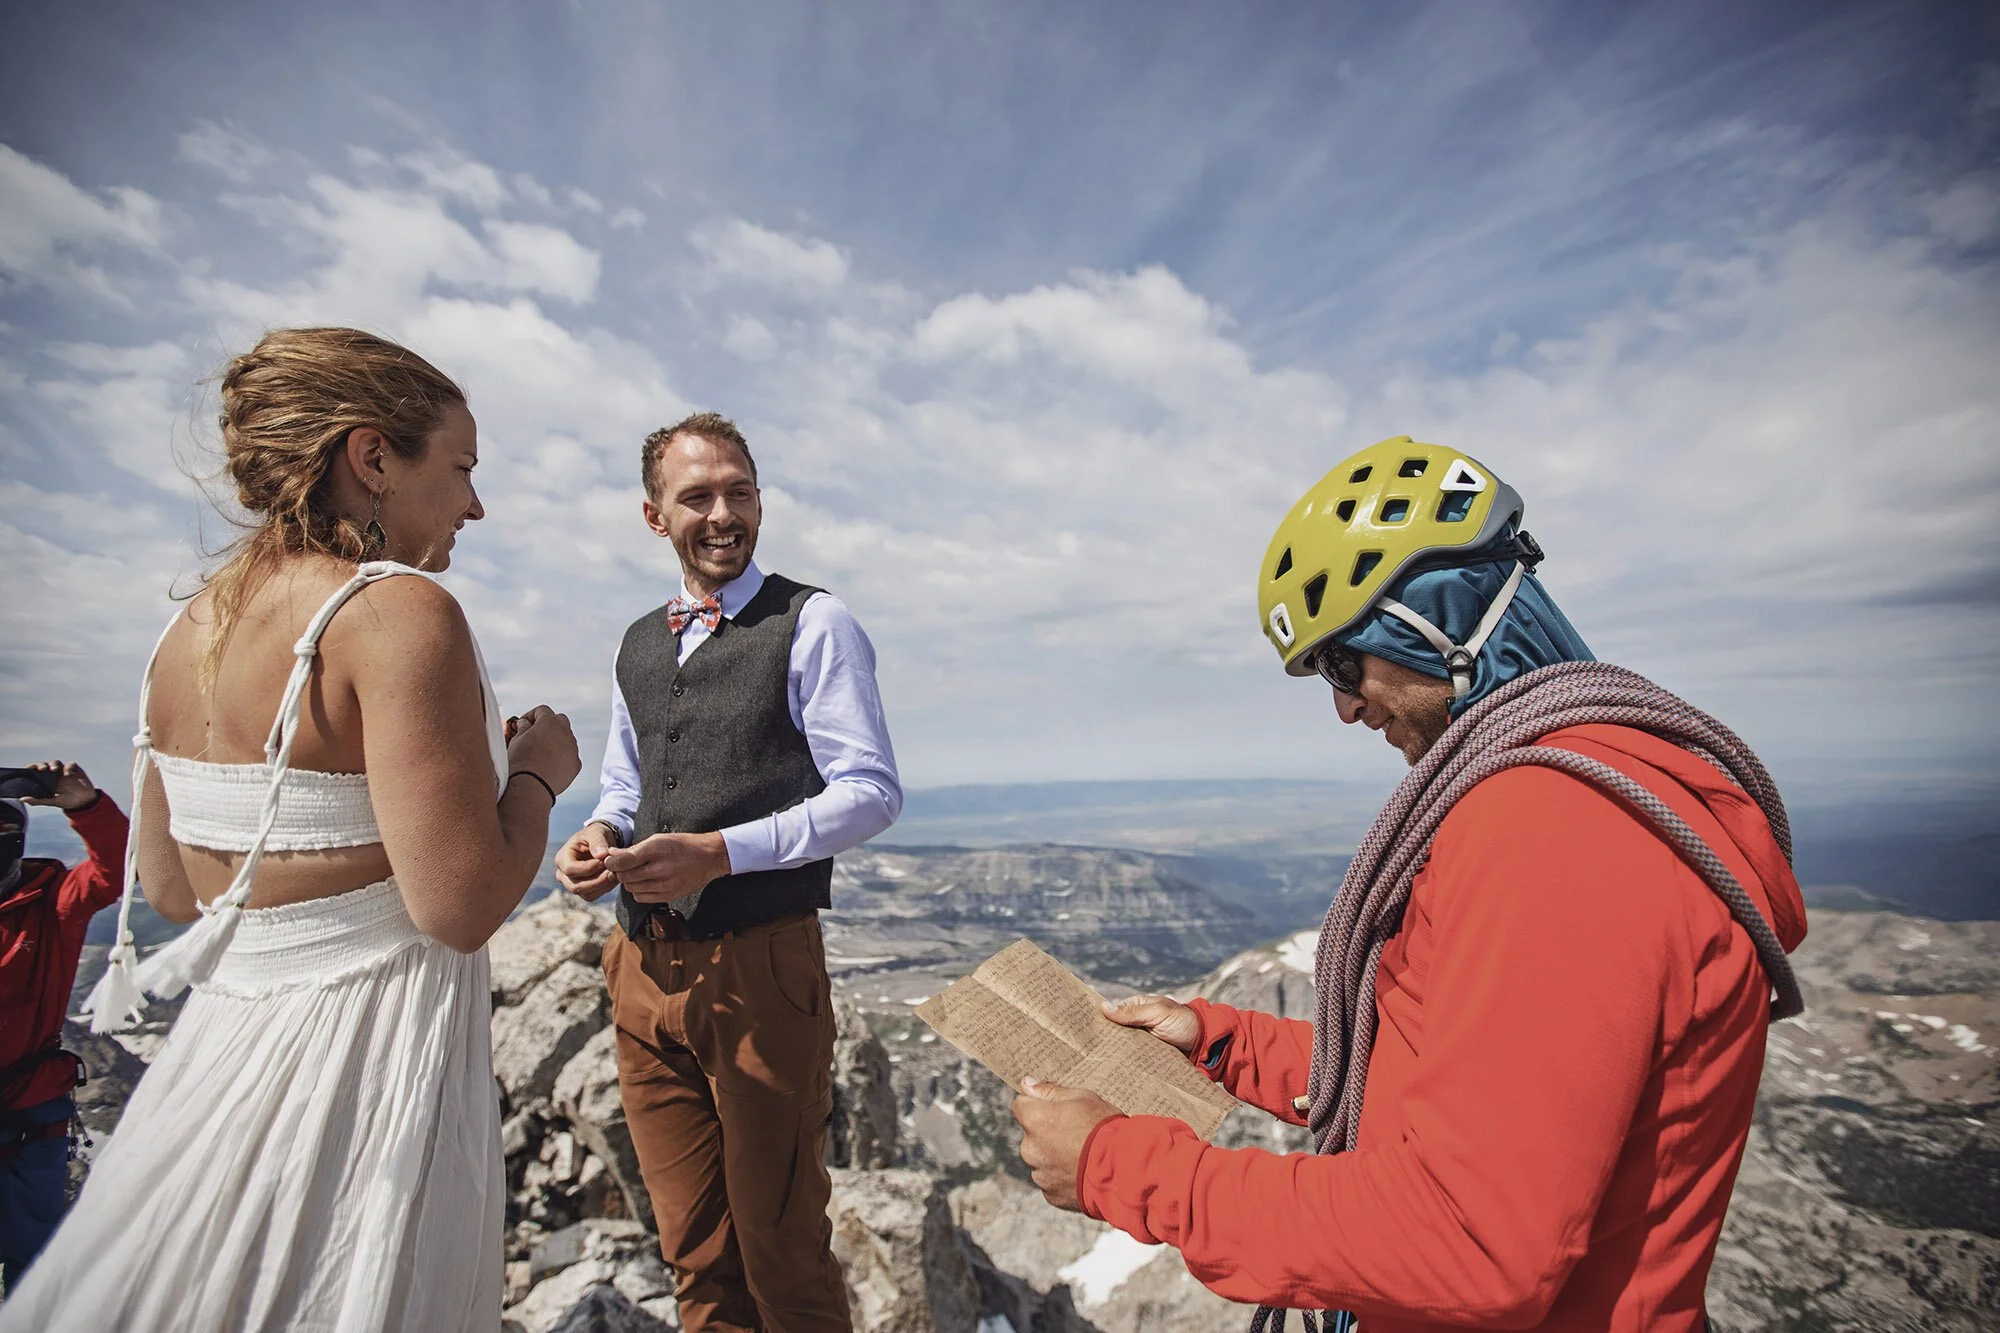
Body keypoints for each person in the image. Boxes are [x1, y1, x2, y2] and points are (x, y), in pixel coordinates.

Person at [1011, 437, 1807, 1333]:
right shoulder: (1591, 786)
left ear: (1436, 615)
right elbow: (1458, 1071)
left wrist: (1114, 1164)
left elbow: (1469, 1239)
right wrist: (1223, 1040)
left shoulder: (1558, 827)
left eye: (1343, 665)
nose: (1345, 707)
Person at [0, 328, 581, 1332]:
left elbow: (179, 893)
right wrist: (533, 776)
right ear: (373, 458)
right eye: (461, 468)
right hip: (368, 1058)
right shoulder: (401, 613)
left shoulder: (183, 635)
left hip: (224, 1052)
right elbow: (461, 904)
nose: (475, 505)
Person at [554, 411, 901, 1333]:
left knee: (783, 1252)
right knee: (696, 1255)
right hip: (639, 973)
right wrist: (595, 831)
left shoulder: (813, 621)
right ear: (652, 514)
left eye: (738, 491)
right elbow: (624, 779)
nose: (722, 513)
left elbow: (871, 792)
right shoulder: (637, 641)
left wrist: (719, 851)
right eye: (696, 496)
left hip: (760, 971)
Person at [0, 762, 127, 1291]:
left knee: (35, 1270)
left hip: (28, 1116)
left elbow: (114, 872)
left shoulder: (52, 902)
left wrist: (85, 805)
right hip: (33, 1113)